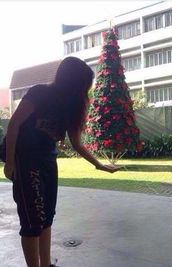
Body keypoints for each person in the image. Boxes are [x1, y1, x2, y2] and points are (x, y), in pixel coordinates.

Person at [4, 57, 120, 267]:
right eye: (84, 84)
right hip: (25, 160)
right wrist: (10, 163)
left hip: (48, 160)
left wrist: (99, 164)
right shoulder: (39, 93)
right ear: (72, 81)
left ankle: (46, 264)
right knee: (32, 221)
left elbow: (77, 143)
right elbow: (14, 125)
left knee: (47, 217)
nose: (86, 90)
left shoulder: (73, 107)